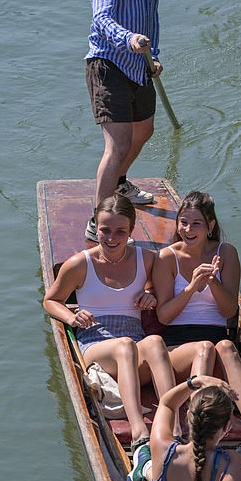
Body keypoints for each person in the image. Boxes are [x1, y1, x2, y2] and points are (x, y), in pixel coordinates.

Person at [43, 194, 176, 455]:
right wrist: (71, 317)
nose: (112, 238)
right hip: (96, 345)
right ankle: (140, 435)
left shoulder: (147, 259)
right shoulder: (79, 264)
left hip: (133, 344)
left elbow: (163, 296)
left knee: (155, 342)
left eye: (120, 231)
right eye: (105, 230)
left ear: (131, 231)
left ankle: (175, 430)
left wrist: (152, 295)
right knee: (125, 346)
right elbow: (50, 301)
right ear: (95, 226)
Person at [153, 191, 241, 442]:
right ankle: (197, 430)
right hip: (178, 348)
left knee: (226, 346)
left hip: (217, 342)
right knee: (204, 348)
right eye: (183, 222)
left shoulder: (226, 253)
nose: (188, 229)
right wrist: (192, 287)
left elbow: (229, 311)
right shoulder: (167, 257)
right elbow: (163, 316)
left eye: (196, 224)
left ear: (210, 226)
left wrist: (213, 282)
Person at [84, 0, 162, 242]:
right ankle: (97, 220)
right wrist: (128, 38)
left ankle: (120, 185)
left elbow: (151, 18)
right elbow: (101, 20)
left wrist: (153, 54)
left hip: (139, 63)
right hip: (108, 63)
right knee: (117, 144)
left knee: (144, 132)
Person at [125, 376, 241, 481]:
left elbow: (167, 403)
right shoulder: (231, 463)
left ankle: (145, 469)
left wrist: (194, 382)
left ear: (188, 416)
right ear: (227, 427)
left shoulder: (163, 448)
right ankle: (146, 471)